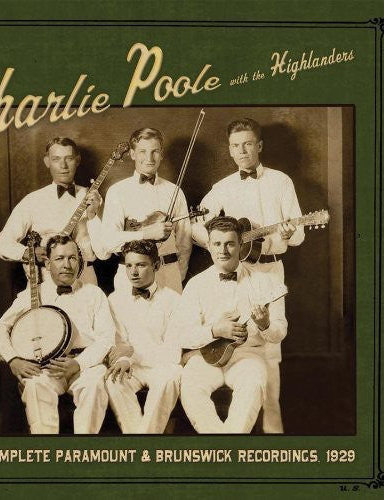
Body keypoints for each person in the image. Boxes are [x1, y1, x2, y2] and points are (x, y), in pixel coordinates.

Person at [191, 118, 304, 434]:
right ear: (229, 149)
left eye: (248, 144)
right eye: (235, 145)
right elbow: (195, 225)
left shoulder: (281, 181)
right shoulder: (222, 187)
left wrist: (288, 232)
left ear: (260, 145)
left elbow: (299, 235)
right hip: (235, 271)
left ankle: (273, 430)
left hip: (269, 268)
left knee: (270, 351)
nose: (242, 151)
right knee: (238, 345)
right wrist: (220, 245)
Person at [169, 216, 288, 433]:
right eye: (217, 244)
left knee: (253, 385)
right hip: (206, 355)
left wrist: (265, 325)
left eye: (230, 244)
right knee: (191, 388)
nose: (223, 250)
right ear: (208, 245)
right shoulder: (196, 285)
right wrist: (215, 330)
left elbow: (279, 333)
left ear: (241, 245)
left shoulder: (266, 283)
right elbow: (182, 335)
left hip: (247, 355)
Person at [0, 235, 115, 434]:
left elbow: (106, 338)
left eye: (72, 258)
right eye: (59, 258)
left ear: (80, 262)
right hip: (46, 366)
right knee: (35, 385)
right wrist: (13, 359)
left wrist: (78, 363)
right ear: (48, 264)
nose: (67, 265)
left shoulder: (94, 294)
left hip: (85, 365)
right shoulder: (33, 294)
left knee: (94, 385)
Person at [0, 136, 105, 285]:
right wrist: (28, 253)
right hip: (46, 280)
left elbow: (105, 252)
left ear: (77, 160)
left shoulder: (93, 198)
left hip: (85, 278)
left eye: (69, 158)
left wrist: (92, 216)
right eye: (56, 159)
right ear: (47, 162)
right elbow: (1, 243)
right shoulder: (33, 200)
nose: (63, 165)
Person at [100, 127, 192, 294]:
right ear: (132, 154)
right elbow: (109, 240)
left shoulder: (175, 191)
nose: (149, 158)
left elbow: (184, 243)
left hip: (169, 275)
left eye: (154, 151)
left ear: (161, 154)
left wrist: (177, 275)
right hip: (131, 277)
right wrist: (145, 234)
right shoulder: (117, 191)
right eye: (142, 151)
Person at [105, 239, 182, 434]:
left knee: (169, 378)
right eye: (129, 265)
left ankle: (142, 441)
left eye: (141, 265)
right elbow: (119, 343)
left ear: (156, 265)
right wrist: (124, 358)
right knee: (114, 381)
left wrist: (131, 354)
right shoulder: (115, 299)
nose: (134, 272)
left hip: (162, 366)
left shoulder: (174, 300)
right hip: (132, 366)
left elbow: (172, 353)